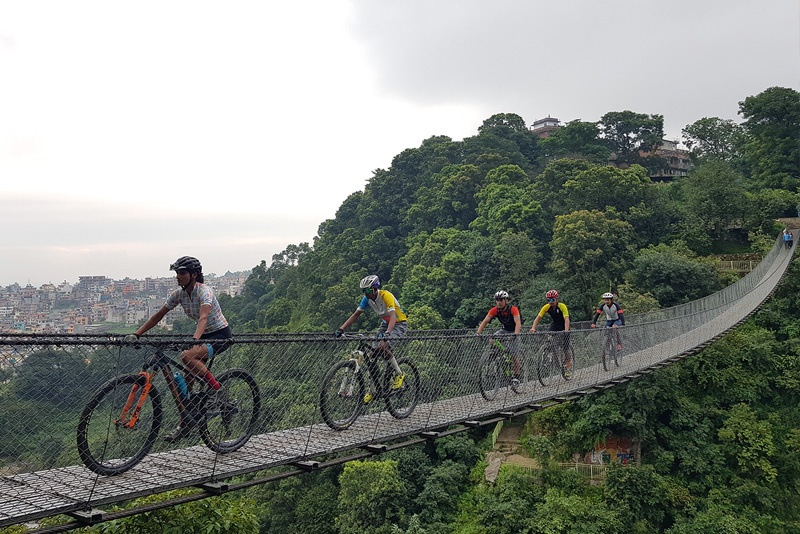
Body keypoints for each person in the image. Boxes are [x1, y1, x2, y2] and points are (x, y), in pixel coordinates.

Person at [126, 256, 232, 441]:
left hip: (220, 335)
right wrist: (137, 334)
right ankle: (185, 425)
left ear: (194, 275)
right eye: (176, 273)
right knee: (184, 387)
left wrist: (194, 339)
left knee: (186, 356)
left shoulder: (204, 292)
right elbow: (158, 315)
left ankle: (217, 390)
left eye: (182, 273)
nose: (178, 276)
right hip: (201, 336)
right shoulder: (179, 295)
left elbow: (204, 318)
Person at [335, 275, 408, 403]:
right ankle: (372, 390)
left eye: (368, 290)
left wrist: (387, 335)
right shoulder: (366, 299)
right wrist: (341, 329)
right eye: (364, 291)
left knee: (382, 346)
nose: (366, 293)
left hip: (398, 323)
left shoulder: (386, 296)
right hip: (385, 324)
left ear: (375, 289)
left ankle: (399, 373)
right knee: (373, 354)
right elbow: (356, 314)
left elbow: (393, 317)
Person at [476, 290, 522, 383]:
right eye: (497, 300)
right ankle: (496, 356)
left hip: (514, 331)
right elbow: (485, 321)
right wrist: (478, 333)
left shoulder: (513, 309)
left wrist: (515, 335)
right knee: (493, 339)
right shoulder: (494, 310)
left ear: (506, 301)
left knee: (514, 356)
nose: (499, 302)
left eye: (501, 300)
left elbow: (518, 322)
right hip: (504, 330)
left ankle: (517, 377)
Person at [530, 290, 572, 376]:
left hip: (564, 325)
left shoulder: (562, 306)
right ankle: (549, 351)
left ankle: (568, 367)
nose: (550, 302)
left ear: (556, 299)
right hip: (555, 325)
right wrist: (533, 328)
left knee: (565, 348)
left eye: (552, 300)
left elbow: (566, 318)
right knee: (548, 336)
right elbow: (538, 317)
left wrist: (566, 330)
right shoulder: (546, 307)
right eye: (548, 300)